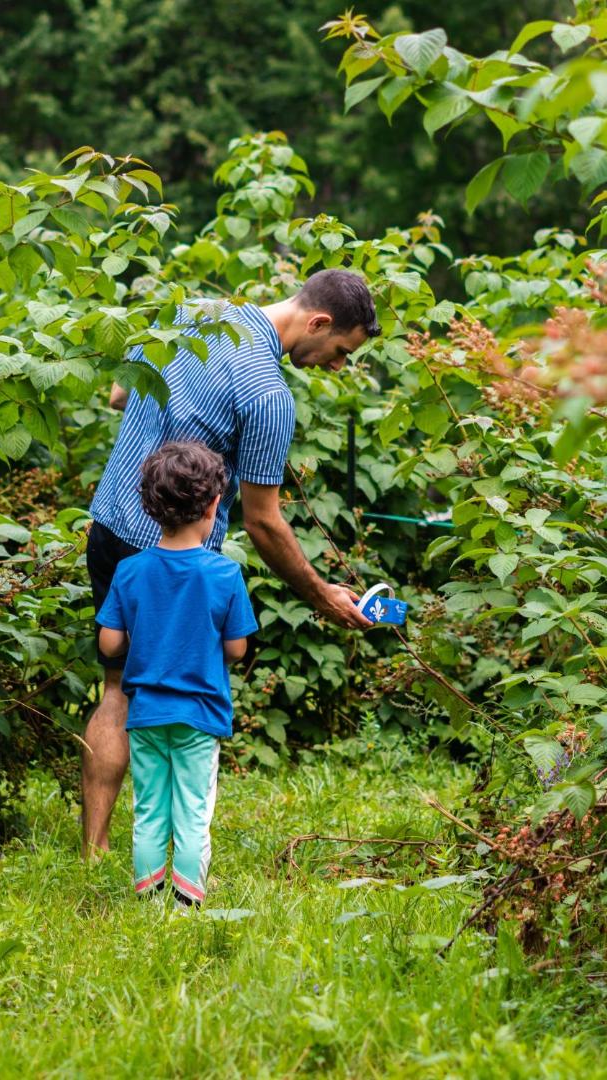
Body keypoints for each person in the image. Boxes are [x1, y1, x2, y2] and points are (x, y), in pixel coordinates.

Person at [83, 268, 380, 857]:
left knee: (115, 689)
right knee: (184, 698)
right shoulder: (269, 394)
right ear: (318, 323)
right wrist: (322, 595)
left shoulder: (196, 310)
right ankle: (179, 846)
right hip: (181, 561)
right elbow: (263, 521)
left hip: (110, 524)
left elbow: (120, 394)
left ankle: (95, 849)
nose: (337, 366)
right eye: (341, 351)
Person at [95, 442, 257, 904]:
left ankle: (148, 899)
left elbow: (109, 644)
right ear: (212, 507)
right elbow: (236, 648)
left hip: (145, 714)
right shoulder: (224, 574)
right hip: (199, 715)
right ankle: (187, 903)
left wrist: (138, 634)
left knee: (149, 810)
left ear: (149, 507)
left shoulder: (130, 571)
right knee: (192, 811)